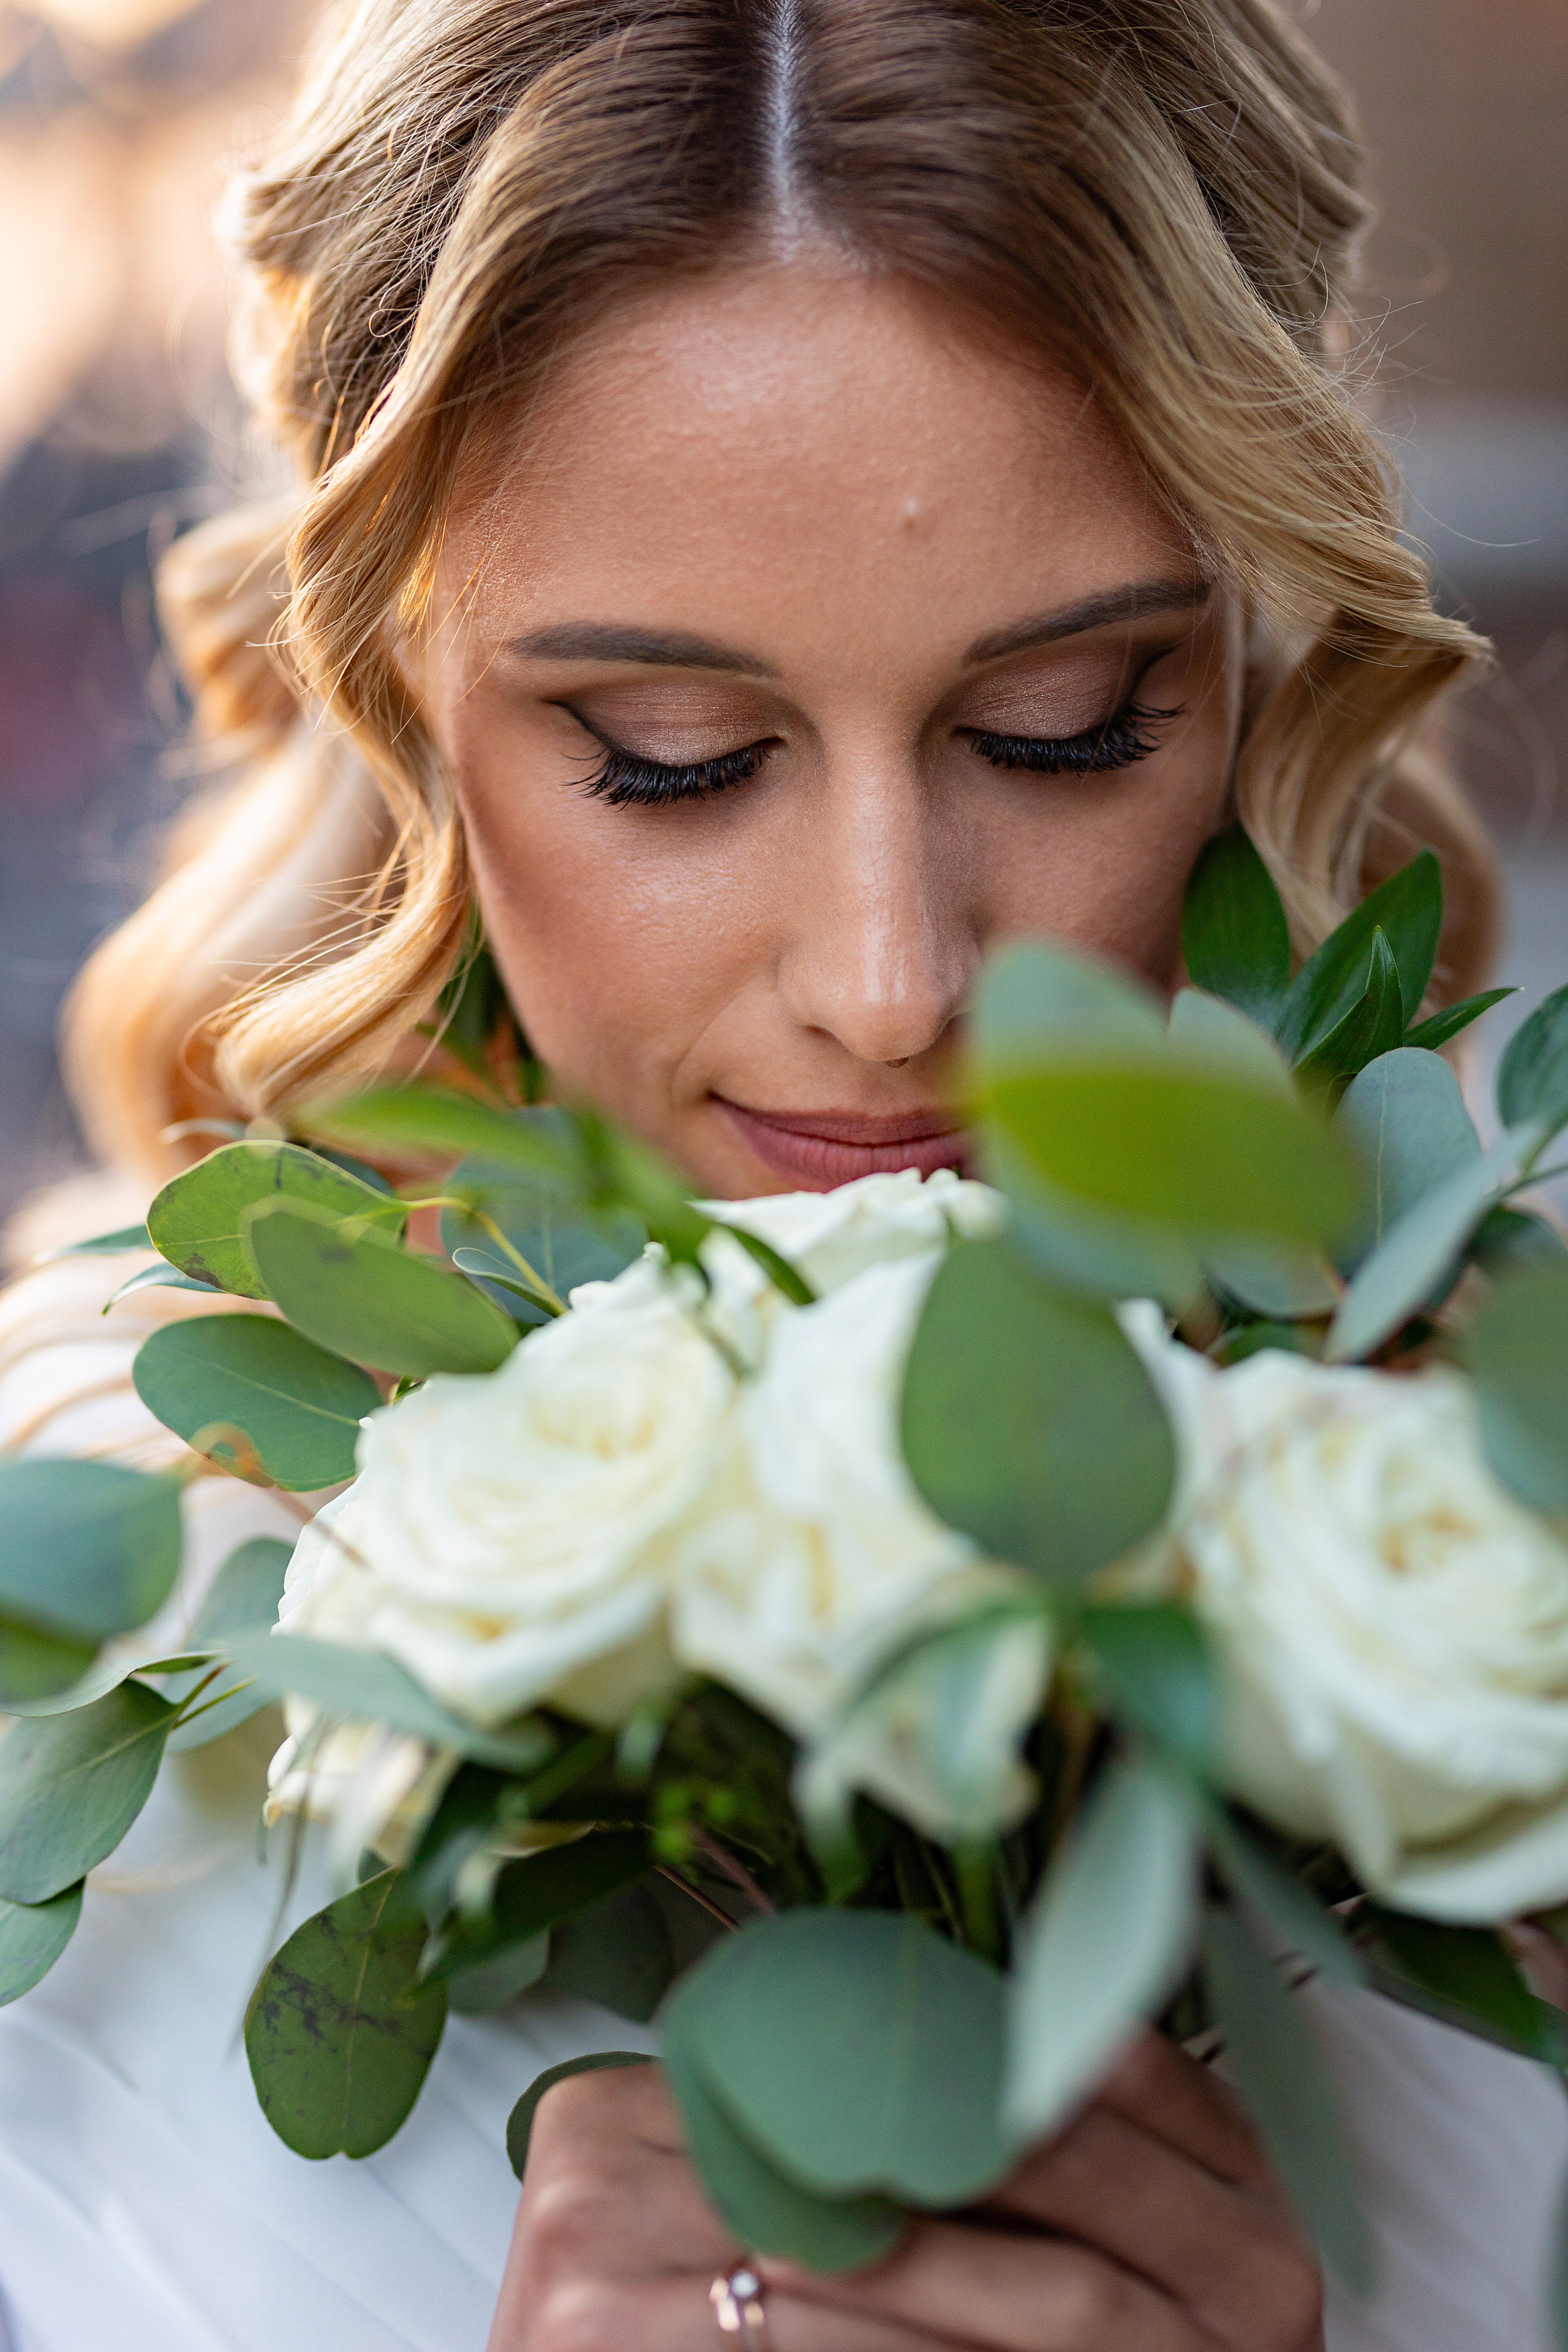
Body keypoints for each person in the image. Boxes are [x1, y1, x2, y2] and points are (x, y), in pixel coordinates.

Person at [1, 1, 1564, 2346]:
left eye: (1066, 730)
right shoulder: (94, 1694)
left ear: (1262, 657)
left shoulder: (1507, 1592)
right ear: (403, 700)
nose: (890, 978)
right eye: (669, 756)